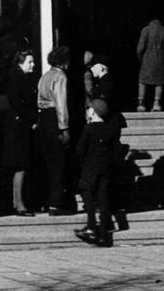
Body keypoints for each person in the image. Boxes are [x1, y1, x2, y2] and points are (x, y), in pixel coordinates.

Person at [74, 99, 122, 247]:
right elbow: (116, 150)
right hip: (106, 166)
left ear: (93, 112)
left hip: (91, 165)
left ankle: (91, 225)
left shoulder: (89, 128)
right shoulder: (110, 129)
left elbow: (80, 150)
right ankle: (103, 232)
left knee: (86, 190)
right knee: (103, 196)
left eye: (89, 109)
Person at [37, 45, 72, 215]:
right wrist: (64, 128)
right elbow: (61, 103)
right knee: (59, 162)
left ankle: (45, 199)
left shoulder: (45, 76)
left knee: (47, 162)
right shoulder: (60, 76)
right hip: (54, 119)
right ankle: (57, 203)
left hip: (43, 119)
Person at [4, 50, 39, 216]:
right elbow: (18, 104)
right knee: (21, 165)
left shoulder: (22, 78)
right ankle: (19, 205)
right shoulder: (17, 79)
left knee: (21, 165)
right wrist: (34, 118)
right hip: (19, 128)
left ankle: (17, 202)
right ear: (20, 63)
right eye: (29, 62)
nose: (33, 65)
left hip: (21, 126)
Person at [136, 18, 164, 112]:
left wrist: (140, 58)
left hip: (146, 59)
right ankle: (156, 103)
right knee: (159, 82)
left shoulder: (146, 30)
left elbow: (140, 47)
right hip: (160, 60)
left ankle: (141, 103)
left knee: (142, 81)